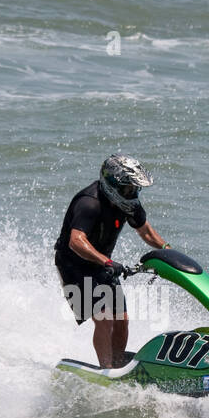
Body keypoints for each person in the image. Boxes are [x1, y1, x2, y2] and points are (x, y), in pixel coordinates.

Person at [54, 154, 169, 367]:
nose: (133, 193)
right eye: (128, 189)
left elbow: (146, 231)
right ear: (113, 184)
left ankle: (117, 365)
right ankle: (106, 370)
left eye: (135, 189)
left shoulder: (128, 204)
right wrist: (106, 262)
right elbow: (76, 241)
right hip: (74, 266)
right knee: (105, 318)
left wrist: (167, 250)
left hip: (102, 264)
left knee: (122, 319)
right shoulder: (90, 203)